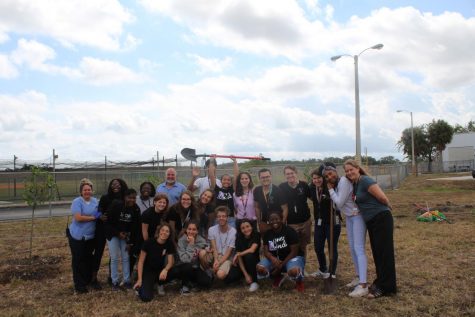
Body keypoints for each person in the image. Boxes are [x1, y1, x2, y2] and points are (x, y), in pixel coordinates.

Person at [344, 159, 397, 299]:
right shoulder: (355, 184)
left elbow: (383, 198)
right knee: (377, 253)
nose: (349, 172)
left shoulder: (366, 180)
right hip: (371, 221)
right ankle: (380, 282)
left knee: (385, 254)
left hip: (381, 218)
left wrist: (388, 207)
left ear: (358, 168)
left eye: (351, 169)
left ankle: (387, 288)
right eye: (347, 171)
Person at [324, 162, 368, 297]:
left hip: (358, 217)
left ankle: (363, 285)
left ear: (336, 172)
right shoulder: (338, 184)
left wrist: (330, 190)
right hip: (350, 217)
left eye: (331, 174)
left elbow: (339, 202)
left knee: (358, 248)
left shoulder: (342, 181)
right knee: (352, 248)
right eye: (326, 176)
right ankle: (358, 276)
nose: (329, 177)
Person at [257, 212, 305, 292]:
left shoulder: (290, 231)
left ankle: (299, 282)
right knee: (260, 269)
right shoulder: (267, 234)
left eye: (276, 219)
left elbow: (294, 252)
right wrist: (272, 258)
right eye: (271, 220)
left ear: (281, 219)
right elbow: (266, 251)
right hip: (276, 260)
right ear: (269, 222)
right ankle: (278, 277)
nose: (274, 221)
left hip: (291, 258)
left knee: (293, 271)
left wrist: (281, 265)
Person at [67, 178, 101, 294]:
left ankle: (87, 280)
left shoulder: (95, 201)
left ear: (92, 190)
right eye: (85, 190)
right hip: (77, 236)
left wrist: (97, 216)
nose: (87, 191)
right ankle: (79, 285)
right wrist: (92, 218)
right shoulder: (77, 202)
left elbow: (99, 212)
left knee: (87, 259)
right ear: (81, 191)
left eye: (89, 189)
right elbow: (78, 218)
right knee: (78, 260)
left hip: (90, 237)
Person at [93, 178, 128, 287]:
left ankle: (111, 276)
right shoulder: (105, 197)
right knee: (101, 253)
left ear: (122, 185)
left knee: (117, 255)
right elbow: (98, 210)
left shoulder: (124, 197)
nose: (115, 186)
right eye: (113, 184)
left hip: (118, 229)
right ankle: (94, 278)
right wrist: (100, 216)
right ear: (110, 186)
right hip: (104, 228)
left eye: (118, 184)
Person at [134, 224, 182, 302]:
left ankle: (159, 284)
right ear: (159, 231)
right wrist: (140, 279)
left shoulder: (169, 244)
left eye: (167, 231)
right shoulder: (148, 242)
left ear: (169, 234)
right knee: (146, 297)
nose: (164, 233)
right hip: (148, 272)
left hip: (160, 272)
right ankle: (142, 286)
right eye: (162, 230)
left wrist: (165, 270)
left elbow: (170, 262)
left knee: (177, 270)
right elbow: (141, 262)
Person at [105, 188, 141, 290]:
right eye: (130, 197)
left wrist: (130, 242)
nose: (132, 200)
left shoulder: (136, 209)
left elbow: (135, 227)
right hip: (113, 234)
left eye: (134, 198)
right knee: (115, 257)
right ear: (125, 197)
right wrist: (117, 233)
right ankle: (114, 281)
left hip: (126, 236)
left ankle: (127, 280)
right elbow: (108, 222)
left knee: (126, 257)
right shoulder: (116, 205)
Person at [309, 167, 340, 279]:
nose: (316, 180)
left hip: (332, 221)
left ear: (324, 178)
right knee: (318, 246)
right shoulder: (312, 188)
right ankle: (323, 269)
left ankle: (332, 272)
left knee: (332, 247)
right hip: (319, 222)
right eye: (314, 178)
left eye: (319, 178)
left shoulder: (331, 187)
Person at [279, 166, 312, 259]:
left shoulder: (304, 185)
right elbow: (281, 205)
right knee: (293, 246)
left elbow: (313, 198)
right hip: (291, 222)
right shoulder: (282, 187)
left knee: (303, 245)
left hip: (305, 221)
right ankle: (293, 267)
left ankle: (302, 266)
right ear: (285, 175)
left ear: (296, 173)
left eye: (292, 173)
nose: (290, 175)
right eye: (287, 174)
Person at [199, 206, 236, 281]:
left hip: (226, 257)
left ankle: (218, 270)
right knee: (202, 253)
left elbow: (229, 252)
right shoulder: (212, 229)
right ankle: (209, 271)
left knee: (220, 275)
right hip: (215, 255)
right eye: (219, 216)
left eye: (223, 216)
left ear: (227, 217)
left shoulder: (233, 231)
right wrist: (216, 260)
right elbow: (214, 247)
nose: (221, 218)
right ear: (216, 218)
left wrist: (219, 263)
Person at [224, 219, 261, 292]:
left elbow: (252, 249)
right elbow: (240, 258)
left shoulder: (256, 235)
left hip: (253, 262)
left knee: (249, 255)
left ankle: (255, 282)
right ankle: (245, 276)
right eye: (243, 228)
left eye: (248, 226)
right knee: (228, 279)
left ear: (252, 226)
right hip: (242, 264)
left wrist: (238, 254)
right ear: (240, 230)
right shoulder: (239, 238)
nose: (246, 229)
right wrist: (246, 274)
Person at [176, 221, 213, 293]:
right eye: (189, 229)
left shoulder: (201, 240)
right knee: (187, 266)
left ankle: (198, 280)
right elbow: (185, 260)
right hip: (183, 268)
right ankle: (184, 286)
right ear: (186, 230)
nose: (191, 231)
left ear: (197, 231)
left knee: (207, 283)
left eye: (194, 229)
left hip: (195, 267)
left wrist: (208, 251)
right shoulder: (181, 241)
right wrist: (191, 244)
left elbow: (206, 249)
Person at [253, 168, 288, 234]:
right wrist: (259, 222)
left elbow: (285, 208)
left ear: (271, 177)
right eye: (263, 177)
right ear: (259, 178)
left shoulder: (278, 190)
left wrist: (282, 223)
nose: (265, 179)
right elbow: (257, 207)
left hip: (277, 222)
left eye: (267, 177)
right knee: (266, 242)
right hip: (264, 222)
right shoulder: (257, 190)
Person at [209, 159, 235, 228]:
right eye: (224, 179)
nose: (226, 181)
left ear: (231, 182)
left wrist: (235, 161)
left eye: (228, 180)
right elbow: (212, 175)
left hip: (230, 218)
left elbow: (236, 176)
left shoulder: (232, 190)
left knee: (231, 237)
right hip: (218, 218)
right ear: (221, 181)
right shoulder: (217, 189)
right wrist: (212, 160)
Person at [233, 160, 257, 229]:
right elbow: (235, 208)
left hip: (252, 220)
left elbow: (257, 207)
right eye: (242, 179)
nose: (244, 180)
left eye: (246, 178)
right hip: (240, 220)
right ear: (239, 181)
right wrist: (235, 161)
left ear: (249, 180)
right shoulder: (235, 194)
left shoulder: (254, 191)